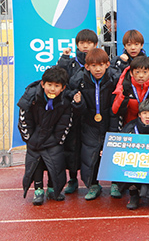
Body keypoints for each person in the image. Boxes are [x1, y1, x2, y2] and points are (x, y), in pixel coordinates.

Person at [69, 48, 120, 200]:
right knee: (89, 154)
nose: (98, 69)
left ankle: (116, 183)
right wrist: (77, 103)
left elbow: (117, 106)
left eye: (101, 65)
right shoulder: (79, 80)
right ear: (87, 66)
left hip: (110, 119)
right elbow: (77, 107)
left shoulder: (115, 78)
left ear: (107, 65)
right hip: (89, 122)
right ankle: (92, 185)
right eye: (93, 65)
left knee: (113, 152)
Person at [18, 66, 72, 206]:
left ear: (63, 88)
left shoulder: (65, 101)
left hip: (54, 140)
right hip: (34, 138)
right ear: (43, 84)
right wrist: (29, 138)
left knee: (57, 164)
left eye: (56, 86)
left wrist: (57, 140)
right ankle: (38, 190)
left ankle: (53, 188)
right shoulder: (31, 97)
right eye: (49, 85)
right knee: (36, 164)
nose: (52, 89)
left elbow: (65, 123)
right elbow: (24, 119)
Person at [57, 28, 98, 195]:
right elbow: (61, 85)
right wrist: (64, 60)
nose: (86, 46)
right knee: (72, 148)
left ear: (96, 44)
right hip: (73, 115)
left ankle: (93, 182)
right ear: (77, 45)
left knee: (90, 150)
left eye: (89, 43)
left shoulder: (99, 62)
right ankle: (72, 179)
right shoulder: (71, 63)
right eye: (82, 43)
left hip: (92, 115)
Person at [112, 56, 149, 127]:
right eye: (137, 72)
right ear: (131, 73)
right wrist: (122, 95)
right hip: (130, 126)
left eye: (145, 72)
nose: (141, 76)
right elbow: (116, 110)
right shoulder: (125, 85)